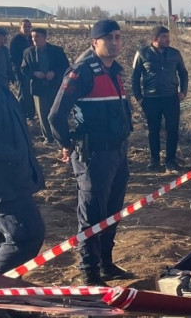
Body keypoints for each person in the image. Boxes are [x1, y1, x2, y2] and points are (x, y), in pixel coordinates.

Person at [48, 19, 133, 286]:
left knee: (111, 212)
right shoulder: (81, 73)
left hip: (118, 154)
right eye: (109, 37)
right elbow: (55, 116)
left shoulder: (115, 72)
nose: (115, 42)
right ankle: (89, 272)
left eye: (118, 37)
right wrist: (66, 144)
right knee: (92, 215)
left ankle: (106, 264)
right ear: (95, 42)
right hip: (93, 156)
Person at [0, 80, 46, 275]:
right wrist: (13, 156)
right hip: (5, 183)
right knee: (24, 237)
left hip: (13, 177)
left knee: (3, 240)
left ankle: (4, 300)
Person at [131, 26, 189, 172]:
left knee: (172, 129)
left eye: (168, 36)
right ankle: (154, 160)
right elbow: (135, 77)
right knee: (153, 130)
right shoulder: (142, 54)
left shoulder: (175, 54)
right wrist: (139, 97)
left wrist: (183, 91)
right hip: (151, 99)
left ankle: (171, 160)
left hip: (171, 98)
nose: (167, 39)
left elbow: (183, 73)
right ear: (155, 39)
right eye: (164, 37)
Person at [21, 28, 70, 144]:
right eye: (32, 37)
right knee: (43, 114)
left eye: (37, 36)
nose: (34, 39)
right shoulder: (28, 52)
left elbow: (65, 66)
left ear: (45, 37)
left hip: (54, 87)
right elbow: (23, 69)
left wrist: (54, 73)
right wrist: (34, 73)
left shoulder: (56, 51)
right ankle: (48, 137)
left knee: (57, 113)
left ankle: (60, 136)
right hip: (38, 88)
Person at [9, 19, 34, 120]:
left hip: (32, 72)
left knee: (31, 93)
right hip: (21, 72)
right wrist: (17, 72)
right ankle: (22, 114)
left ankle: (31, 114)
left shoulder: (32, 39)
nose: (27, 29)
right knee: (23, 94)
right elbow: (13, 58)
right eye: (25, 27)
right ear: (20, 27)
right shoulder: (15, 40)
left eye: (29, 27)